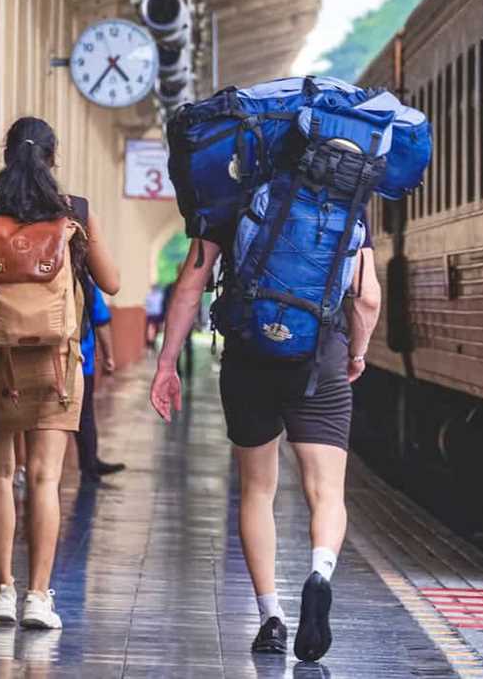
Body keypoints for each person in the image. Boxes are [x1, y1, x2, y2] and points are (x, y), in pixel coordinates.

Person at [149, 235, 381, 662]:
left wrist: (167, 363)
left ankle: (270, 617)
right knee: (326, 491)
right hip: (320, 356)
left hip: (248, 357)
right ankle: (319, 574)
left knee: (258, 489)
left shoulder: (230, 191)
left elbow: (189, 283)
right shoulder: (344, 187)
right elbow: (365, 297)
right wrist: (358, 352)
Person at [0, 116, 120, 630]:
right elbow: (113, 281)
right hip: (57, 365)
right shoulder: (75, 213)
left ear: (6, 155)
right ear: (53, 158)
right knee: (45, 478)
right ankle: (39, 598)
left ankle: (1, 592)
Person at [75, 280, 126, 483]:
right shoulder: (84, 281)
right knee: (84, 415)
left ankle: (89, 463)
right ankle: (89, 465)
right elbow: (101, 320)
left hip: (41, 361)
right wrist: (109, 357)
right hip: (81, 361)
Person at [161, 281, 195, 376]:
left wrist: (197, 318)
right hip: (175, 320)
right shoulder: (170, 287)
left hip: (188, 320)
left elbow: (196, 302)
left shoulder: (191, 286)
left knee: (188, 345)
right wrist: (165, 318)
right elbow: (165, 303)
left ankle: (189, 370)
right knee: (176, 346)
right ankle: (177, 370)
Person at [144, 283, 165, 349]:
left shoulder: (160, 295)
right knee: (152, 330)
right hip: (152, 316)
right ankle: (152, 344)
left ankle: (155, 344)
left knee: (157, 330)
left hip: (158, 315)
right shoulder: (150, 296)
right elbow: (147, 306)